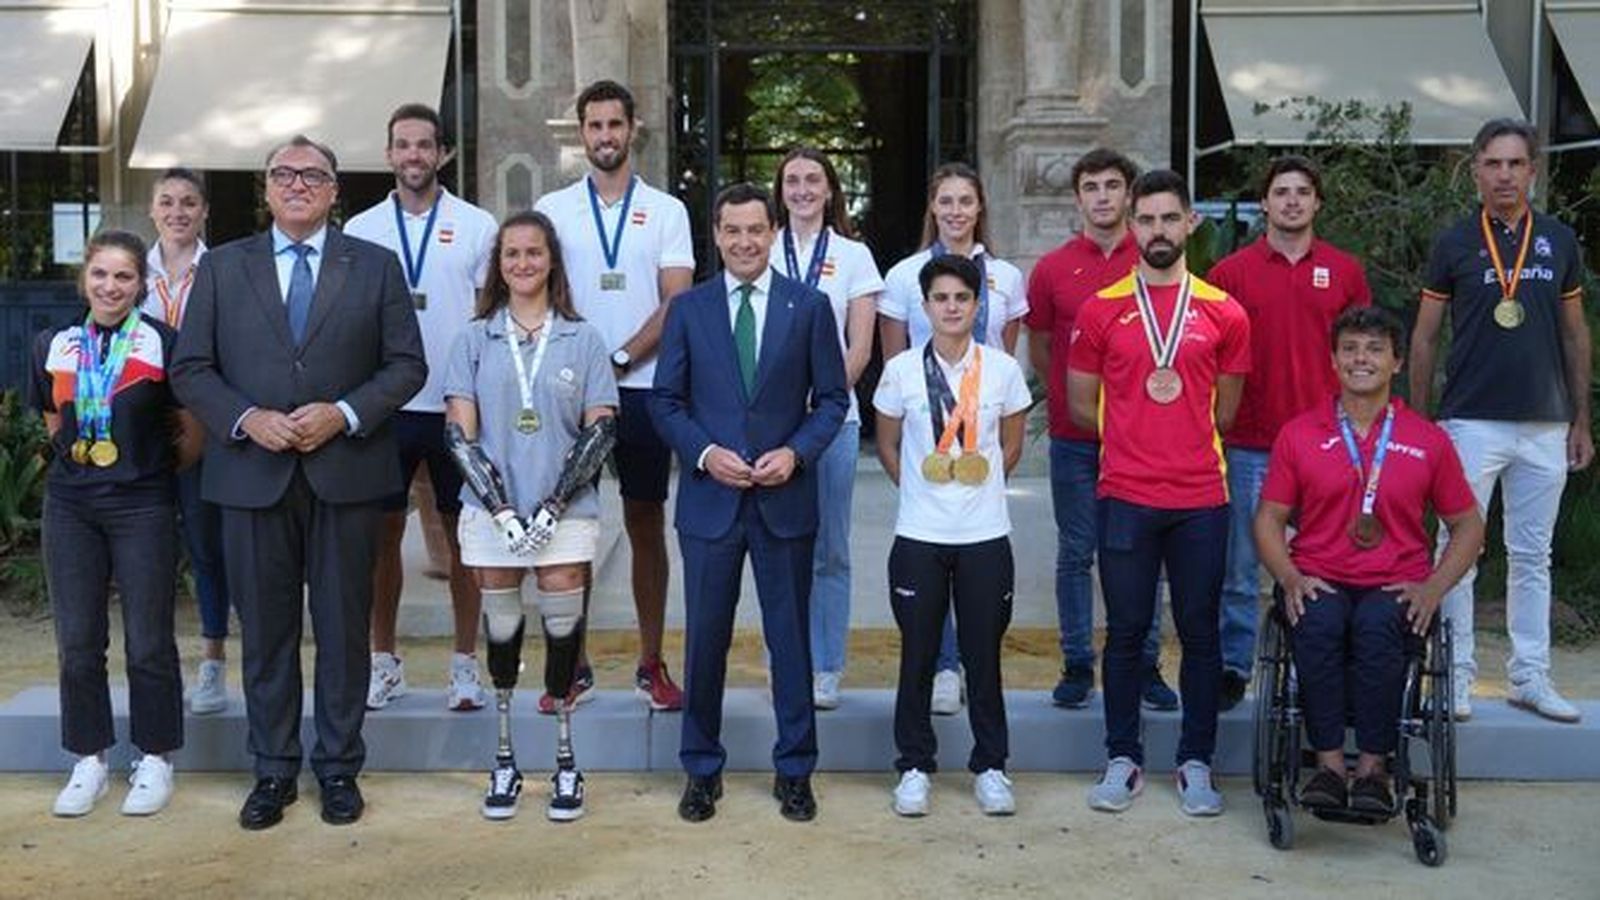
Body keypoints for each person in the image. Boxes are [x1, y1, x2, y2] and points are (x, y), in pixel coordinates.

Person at [171, 135, 426, 830]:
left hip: (346, 474)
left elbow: (407, 366)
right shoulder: (223, 268)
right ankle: (274, 770)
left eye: (313, 175)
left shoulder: (374, 266)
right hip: (251, 475)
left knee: (343, 631)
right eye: (283, 173)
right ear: (266, 187)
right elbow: (190, 368)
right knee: (266, 633)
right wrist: (246, 418)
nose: (297, 184)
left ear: (335, 191)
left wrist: (343, 413)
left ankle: (338, 768)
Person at [651, 183, 848, 824]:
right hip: (710, 503)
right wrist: (705, 453)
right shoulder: (688, 309)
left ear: (773, 233)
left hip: (784, 500)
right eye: (732, 230)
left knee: (790, 642)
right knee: (704, 642)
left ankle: (796, 770)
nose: (744, 242)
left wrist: (797, 453)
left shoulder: (809, 306)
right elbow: (666, 402)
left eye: (755, 230)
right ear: (716, 235)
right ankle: (700, 770)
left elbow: (833, 401)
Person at [1067, 170, 1250, 817]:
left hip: (1201, 498)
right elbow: (1082, 404)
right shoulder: (1101, 308)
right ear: (1130, 226)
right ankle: (1122, 758)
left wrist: (1176, 440)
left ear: (1190, 223)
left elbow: (1226, 411)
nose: (1158, 231)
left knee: (1200, 633)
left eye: (1170, 218)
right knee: (1125, 632)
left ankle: (1196, 761)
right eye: (1146, 220)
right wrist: (1137, 440)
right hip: (1125, 494)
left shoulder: (1225, 311)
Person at [1255, 307, 1484, 812]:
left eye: (1375, 349)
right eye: (1351, 349)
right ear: (1333, 360)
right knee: (1317, 620)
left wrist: (1434, 588)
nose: (1361, 359)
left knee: (1380, 626)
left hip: (1396, 582)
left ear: (1397, 362)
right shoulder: (1300, 433)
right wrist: (1288, 577)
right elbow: (1268, 518)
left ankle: (1374, 771)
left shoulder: (1427, 439)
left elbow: (1469, 525)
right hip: (1319, 576)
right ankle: (1330, 768)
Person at [1410, 117, 1593, 724]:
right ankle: (1456, 675)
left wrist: (1581, 419)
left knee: (1532, 555)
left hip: (1546, 423)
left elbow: (1575, 334)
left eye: (1516, 164)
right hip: (1470, 421)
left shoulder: (1559, 239)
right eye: (1493, 163)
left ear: (1533, 172)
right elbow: (1425, 336)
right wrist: (1420, 422)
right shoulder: (1455, 242)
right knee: (1457, 550)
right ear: (1476, 173)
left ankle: (1529, 676)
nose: (1505, 175)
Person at [442, 211, 618, 821]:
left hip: (563, 513)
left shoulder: (584, 338)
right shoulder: (473, 339)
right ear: (498, 264)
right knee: (501, 629)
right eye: (511, 253)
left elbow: (600, 431)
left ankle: (566, 760)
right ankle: (505, 758)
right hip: (493, 512)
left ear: (552, 261)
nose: (522, 263)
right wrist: (501, 509)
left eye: (533, 252)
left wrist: (552, 505)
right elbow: (459, 437)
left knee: (564, 627)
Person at [535, 80, 695, 714]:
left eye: (614, 124)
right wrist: (577, 367)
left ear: (633, 129)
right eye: (595, 125)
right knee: (569, 530)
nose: (605, 136)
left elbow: (677, 300)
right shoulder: (553, 208)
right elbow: (539, 289)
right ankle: (571, 668)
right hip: (570, 397)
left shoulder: (666, 210)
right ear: (583, 133)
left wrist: (620, 358)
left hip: (644, 390)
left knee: (645, 523)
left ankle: (651, 664)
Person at [30, 230, 200, 818]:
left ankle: (155, 758)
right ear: (84, 280)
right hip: (70, 507)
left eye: (123, 276)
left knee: (149, 640)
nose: (110, 286)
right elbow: (54, 419)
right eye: (100, 274)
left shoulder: (163, 343)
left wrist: (145, 471)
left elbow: (190, 431)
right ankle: (89, 760)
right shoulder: (53, 343)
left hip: (142, 504)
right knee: (78, 641)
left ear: (141, 284)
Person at [344, 103, 498, 712]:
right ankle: (384, 662)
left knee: (465, 538)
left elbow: (489, 315)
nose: (414, 155)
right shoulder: (360, 229)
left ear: (443, 153)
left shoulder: (478, 225)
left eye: (424, 144)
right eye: (403, 144)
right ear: (389, 154)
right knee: (384, 536)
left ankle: (465, 665)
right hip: (387, 404)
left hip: (458, 402)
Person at [1206, 155, 1372, 711]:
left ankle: (1313, 666)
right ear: (1265, 203)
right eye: (1282, 192)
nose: (1293, 201)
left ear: (1317, 202)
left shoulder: (1345, 271)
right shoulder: (1230, 274)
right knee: (1240, 565)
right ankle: (1233, 666)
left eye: (1303, 192)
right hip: (1250, 442)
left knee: (1320, 563)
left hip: (1326, 443)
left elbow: (1364, 356)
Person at [875, 254, 1031, 818]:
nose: (951, 308)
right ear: (925, 306)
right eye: (940, 298)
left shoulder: (1002, 370)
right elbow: (887, 443)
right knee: (918, 655)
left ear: (977, 305)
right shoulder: (900, 371)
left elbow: (1012, 443)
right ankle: (914, 766)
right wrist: (922, 490)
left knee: (982, 656)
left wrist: (979, 488)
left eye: (962, 298)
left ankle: (991, 766)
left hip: (985, 535)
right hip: (919, 535)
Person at [1025, 148, 1177, 712]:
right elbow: (1043, 346)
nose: (1103, 196)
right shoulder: (1053, 269)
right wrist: (1075, 399)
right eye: (1091, 187)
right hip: (1075, 438)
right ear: (1078, 198)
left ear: (1130, 194)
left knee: (1143, 554)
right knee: (1076, 551)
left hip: (1145, 439)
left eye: (1113, 185)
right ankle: (1076, 663)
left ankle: (1145, 665)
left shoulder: (1156, 260)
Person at [879, 162, 1026, 715]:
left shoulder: (1006, 277)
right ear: (933, 208)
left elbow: (1004, 352)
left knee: (975, 563)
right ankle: (944, 667)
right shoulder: (904, 275)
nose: (956, 211)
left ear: (980, 206)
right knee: (929, 553)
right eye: (946, 200)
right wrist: (916, 471)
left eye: (966, 200)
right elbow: (895, 362)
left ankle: (967, 665)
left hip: (981, 436)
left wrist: (992, 470)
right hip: (928, 440)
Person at [768, 147, 884, 709]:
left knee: (830, 549)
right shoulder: (763, 248)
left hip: (834, 422)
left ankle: (827, 665)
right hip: (771, 427)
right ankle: (788, 661)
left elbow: (860, 346)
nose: (803, 189)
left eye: (813, 179)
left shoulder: (853, 256)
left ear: (831, 189)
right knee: (779, 546)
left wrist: (825, 401)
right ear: (780, 191)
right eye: (792, 180)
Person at [143, 167, 231, 716]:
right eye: (168, 202)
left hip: (205, 425)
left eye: (189, 203)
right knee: (148, 552)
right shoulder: (133, 269)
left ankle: (213, 663)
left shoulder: (222, 271)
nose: (178, 212)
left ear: (204, 212)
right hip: (144, 428)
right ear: (153, 210)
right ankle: (157, 668)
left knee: (205, 548)